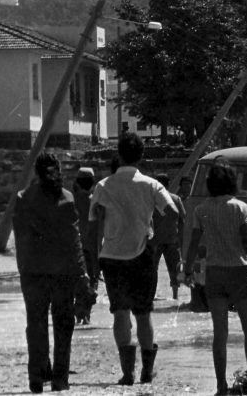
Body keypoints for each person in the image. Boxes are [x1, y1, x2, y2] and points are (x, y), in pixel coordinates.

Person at [88, 132, 177, 386]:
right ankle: (146, 372)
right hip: (141, 255)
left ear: (119, 154)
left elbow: (93, 222)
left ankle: (127, 373)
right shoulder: (151, 185)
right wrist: (155, 237)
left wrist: (95, 258)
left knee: (120, 314)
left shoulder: (103, 186)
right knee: (143, 313)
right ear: (141, 156)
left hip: (111, 257)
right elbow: (172, 212)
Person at [182, 158, 247, 396]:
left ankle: (221, 386)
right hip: (239, 273)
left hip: (214, 274)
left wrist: (187, 270)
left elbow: (194, 243)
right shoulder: (241, 208)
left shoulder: (200, 210)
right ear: (233, 183)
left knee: (219, 334)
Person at [13, 152, 90, 393]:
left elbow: (20, 239)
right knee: (63, 326)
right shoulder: (66, 199)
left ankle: (36, 377)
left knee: (35, 325)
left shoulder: (23, 199)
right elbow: (73, 242)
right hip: (63, 273)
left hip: (33, 272)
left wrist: (23, 268)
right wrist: (83, 274)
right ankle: (60, 379)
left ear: (36, 172)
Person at [150, 173, 186, 300]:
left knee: (152, 269)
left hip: (155, 240)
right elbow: (182, 220)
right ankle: (175, 296)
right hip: (172, 239)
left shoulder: (152, 199)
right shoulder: (175, 199)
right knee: (174, 269)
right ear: (168, 184)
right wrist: (181, 240)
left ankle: (151, 295)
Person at [72, 167, 98, 325]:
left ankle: (78, 311)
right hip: (91, 247)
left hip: (74, 247)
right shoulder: (95, 200)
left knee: (76, 281)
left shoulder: (70, 199)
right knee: (92, 281)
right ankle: (86, 313)